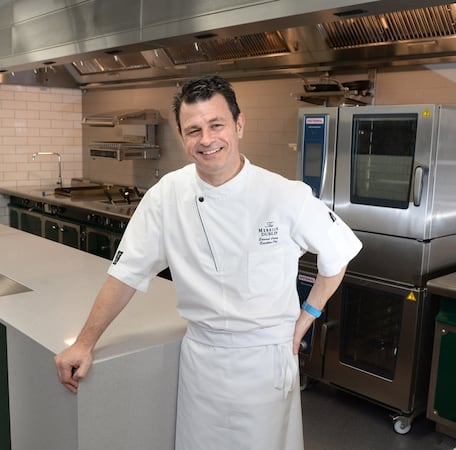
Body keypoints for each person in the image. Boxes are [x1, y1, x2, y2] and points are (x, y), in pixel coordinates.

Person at [54, 75, 362, 450]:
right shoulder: (167, 195)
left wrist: (308, 315)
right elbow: (126, 273)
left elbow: (338, 254)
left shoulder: (285, 195)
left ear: (239, 124)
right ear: (183, 138)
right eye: (193, 130)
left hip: (265, 362)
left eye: (217, 124)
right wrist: (84, 343)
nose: (207, 139)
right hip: (202, 359)